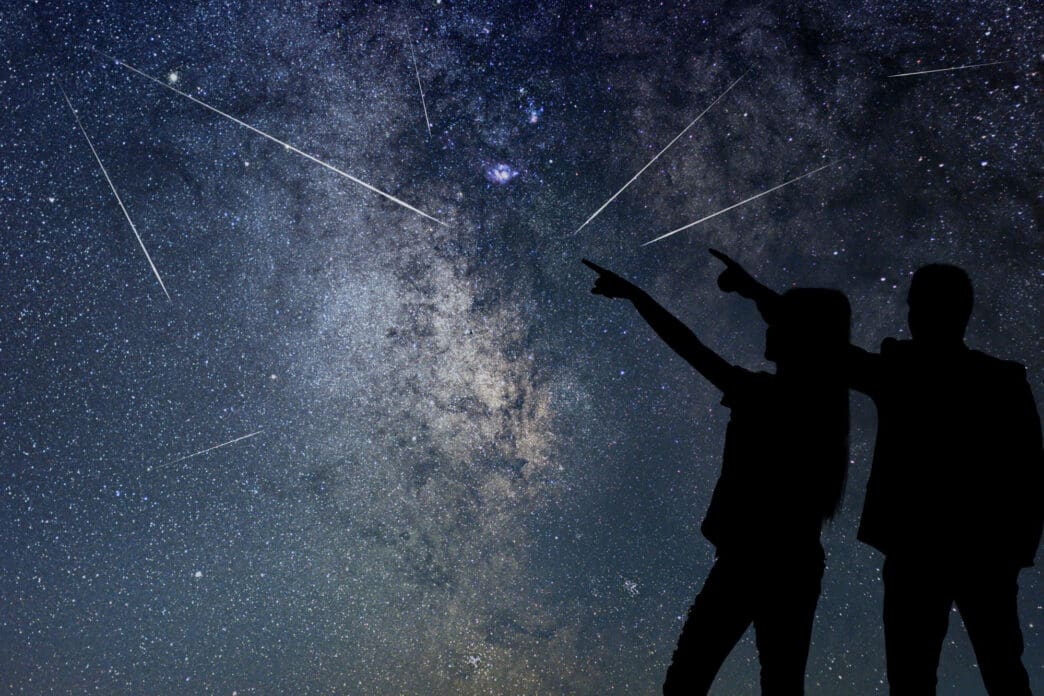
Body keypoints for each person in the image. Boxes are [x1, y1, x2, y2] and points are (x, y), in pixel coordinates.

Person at [713, 250, 1043, 695]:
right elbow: (1030, 473)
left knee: (922, 677)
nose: (910, 314)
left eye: (915, 304)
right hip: (973, 553)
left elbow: (822, 344)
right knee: (994, 671)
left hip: (924, 549)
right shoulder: (997, 380)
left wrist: (755, 291)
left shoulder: (907, 371)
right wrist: (1013, 552)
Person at [582, 258, 851, 695]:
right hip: (797, 559)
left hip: (749, 558)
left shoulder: (766, 396)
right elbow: (796, 323)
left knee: (687, 680)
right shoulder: (822, 404)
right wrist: (752, 289)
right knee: (782, 684)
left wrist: (637, 296)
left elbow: (689, 347)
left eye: (778, 322)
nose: (768, 326)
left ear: (799, 336)